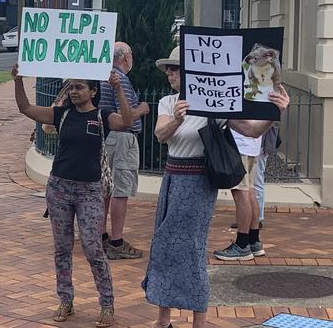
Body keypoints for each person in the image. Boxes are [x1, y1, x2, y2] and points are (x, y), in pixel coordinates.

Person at [142, 46, 289, 328]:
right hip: (172, 178)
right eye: (168, 69)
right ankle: (163, 320)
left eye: (175, 68)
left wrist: (275, 112)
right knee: (163, 245)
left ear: (191, 73)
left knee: (192, 248)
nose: (169, 73)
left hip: (198, 182)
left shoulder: (214, 105)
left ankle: (199, 320)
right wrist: (177, 119)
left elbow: (252, 130)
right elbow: (161, 135)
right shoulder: (167, 102)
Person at [13, 64, 134, 328]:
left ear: (93, 90)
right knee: (62, 248)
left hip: (89, 191)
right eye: (71, 87)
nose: (73, 91)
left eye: (79, 87)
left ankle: (107, 303)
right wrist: (18, 81)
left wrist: (118, 89)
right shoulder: (62, 114)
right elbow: (26, 109)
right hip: (59, 189)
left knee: (93, 248)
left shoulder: (102, 116)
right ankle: (65, 300)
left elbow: (126, 121)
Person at [99, 41, 150, 260]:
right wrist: (142, 109)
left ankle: (100, 235)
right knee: (120, 190)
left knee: (106, 190)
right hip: (122, 139)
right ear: (126, 57)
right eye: (131, 55)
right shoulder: (120, 79)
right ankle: (117, 241)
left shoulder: (103, 76)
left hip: (107, 139)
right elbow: (125, 116)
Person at [214, 131, 264, 261]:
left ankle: (242, 245)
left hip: (239, 145)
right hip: (253, 146)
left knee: (241, 192)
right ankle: (254, 240)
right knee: (250, 190)